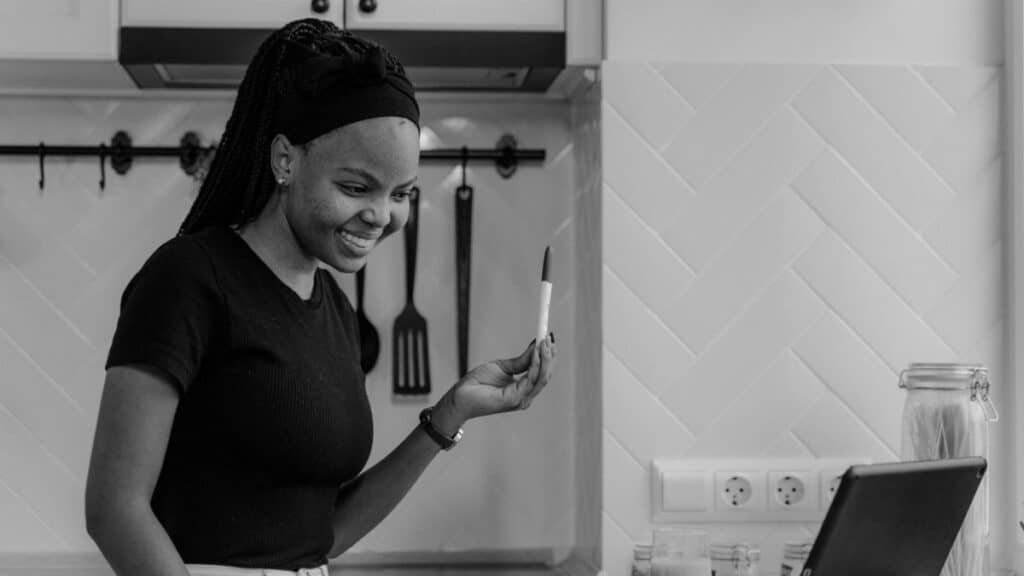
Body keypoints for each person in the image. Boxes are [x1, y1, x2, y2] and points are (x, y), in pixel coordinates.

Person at [83, 18, 557, 576]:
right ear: (286, 160)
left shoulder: (333, 307)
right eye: (356, 188)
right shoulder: (188, 279)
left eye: (400, 194)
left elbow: (320, 534)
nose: (381, 216)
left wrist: (452, 412)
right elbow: (115, 509)